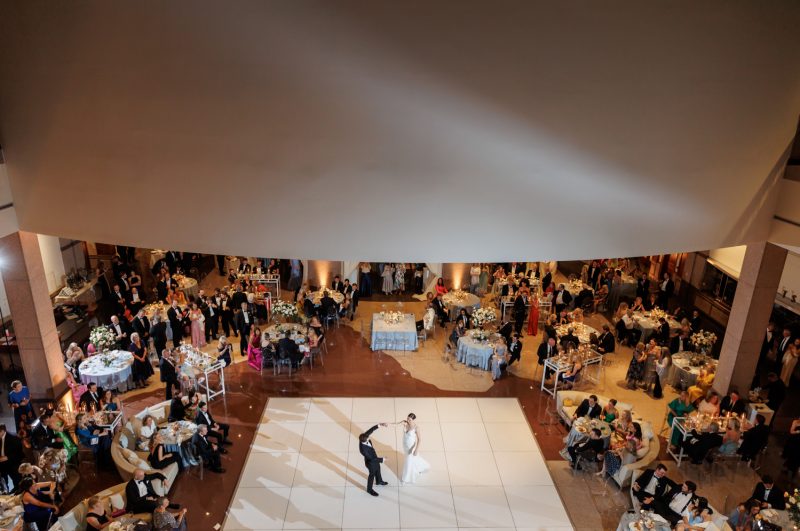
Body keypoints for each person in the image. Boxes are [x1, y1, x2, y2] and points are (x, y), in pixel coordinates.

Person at [396, 413, 429, 484]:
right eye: (407, 418)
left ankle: (405, 479)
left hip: (411, 447)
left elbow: (419, 439)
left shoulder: (416, 428)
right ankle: (420, 467)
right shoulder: (405, 423)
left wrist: (416, 449)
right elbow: (395, 424)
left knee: (408, 461)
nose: (408, 420)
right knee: (412, 459)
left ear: (413, 420)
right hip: (405, 445)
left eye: (410, 419)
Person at [359, 423, 389, 496]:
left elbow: (371, 430)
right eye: (368, 439)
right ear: (364, 441)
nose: (369, 438)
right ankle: (369, 490)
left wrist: (380, 425)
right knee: (372, 475)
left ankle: (379, 481)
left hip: (374, 458)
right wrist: (382, 459)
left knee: (378, 468)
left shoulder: (364, 436)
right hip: (370, 463)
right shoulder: (363, 450)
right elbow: (372, 459)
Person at [0, 424, 23, 492]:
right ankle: (6, 492)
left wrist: (7, 457)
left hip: (12, 464)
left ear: (2, 431)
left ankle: (17, 492)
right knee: (3, 481)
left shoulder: (14, 437)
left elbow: (19, 454)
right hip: (2, 464)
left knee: (16, 480)